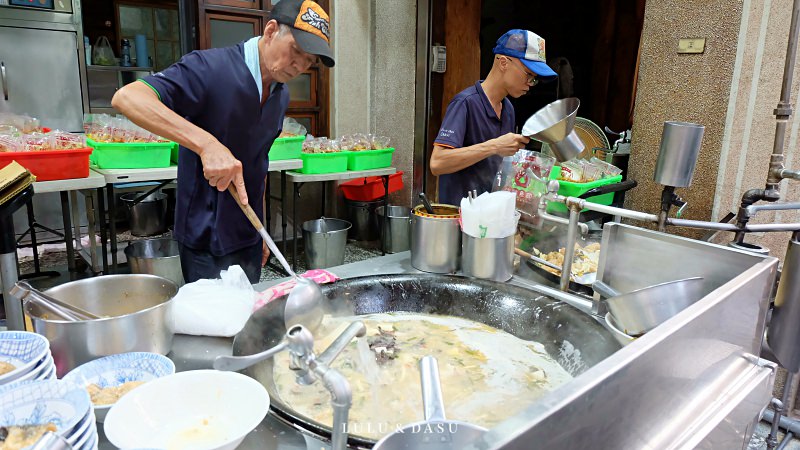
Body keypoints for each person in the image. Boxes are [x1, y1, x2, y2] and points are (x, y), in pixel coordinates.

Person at [112, 0, 334, 284]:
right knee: (214, 324)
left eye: (309, 61)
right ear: (270, 30)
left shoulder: (280, 95)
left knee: (249, 320)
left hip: (249, 234)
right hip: (205, 238)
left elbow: (258, 164)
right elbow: (128, 97)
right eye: (296, 51)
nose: (300, 66)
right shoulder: (210, 68)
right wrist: (206, 144)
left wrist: (261, 230)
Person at [429, 29, 557, 205]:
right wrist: (495, 146)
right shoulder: (465, 103)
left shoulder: (508, 109)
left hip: (491, 219)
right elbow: (437, 163)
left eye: (534, 79)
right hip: (459, 221)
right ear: (503, 62)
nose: (530, 84)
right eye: (529, 75)